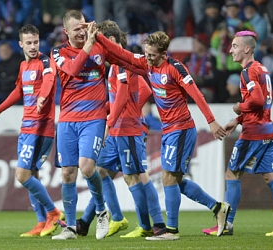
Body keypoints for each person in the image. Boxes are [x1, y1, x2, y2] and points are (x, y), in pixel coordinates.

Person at [93, 26, 231, 240]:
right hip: (169, 130)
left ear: (164, 54)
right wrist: (99, 38)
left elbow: (197, 95)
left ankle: (171, 231)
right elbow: (123, 54)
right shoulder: (146, 64)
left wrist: (211, 121)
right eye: (146, 53)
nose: (147, 58)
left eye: (152, 55)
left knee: (168, 178)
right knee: (176, 180)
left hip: (182, 129)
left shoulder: (176, 69)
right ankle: (217, 207)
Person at [70, 20, 167, 239]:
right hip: (118, 128)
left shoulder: (123, 61)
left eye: (99, 42)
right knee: (100, 171)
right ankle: (102, 219)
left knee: (138, 176)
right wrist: (108, 108)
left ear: (110, 41)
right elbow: (125, 95)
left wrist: (122, 113)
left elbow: (140, 90)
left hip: (126, 127)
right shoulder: (114, 63)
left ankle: (153, 224)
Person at [202, 30, 273, 236]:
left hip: (253, 133)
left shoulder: (247, 71)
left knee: (232, 174)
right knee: (272, 177)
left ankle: (227, 224)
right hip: (267, 130)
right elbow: (262, 105)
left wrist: (239, 108)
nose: (230, 50)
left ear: (247, 48)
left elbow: (257, 101)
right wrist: (237, 121)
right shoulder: (262, 69)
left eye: (234, 46)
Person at [49, 10, 126, 240]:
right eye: (76, 29)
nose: (82, 32)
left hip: (93, 118)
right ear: (66, 32)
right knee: (67, 174)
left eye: (84, 27)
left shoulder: (99, 45)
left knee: (87, 167)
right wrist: (90, 43)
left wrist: (99, 39)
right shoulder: (58, 52)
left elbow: (122, 57)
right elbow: (72, 69)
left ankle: (101, 211)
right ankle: (71, 227)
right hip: (67, 120)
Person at [0, 24, 63, 237]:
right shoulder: (23, 66)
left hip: (40, 126)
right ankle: (41, 223)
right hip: (26, 125)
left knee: (22, 174)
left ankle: (53, 213)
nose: (32, 46)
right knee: (31, 174)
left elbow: (49, 79)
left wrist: (43, 97)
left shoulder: (45, 61)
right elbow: (19, 90)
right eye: (28, 43)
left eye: (35, 42)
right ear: (20, 44)